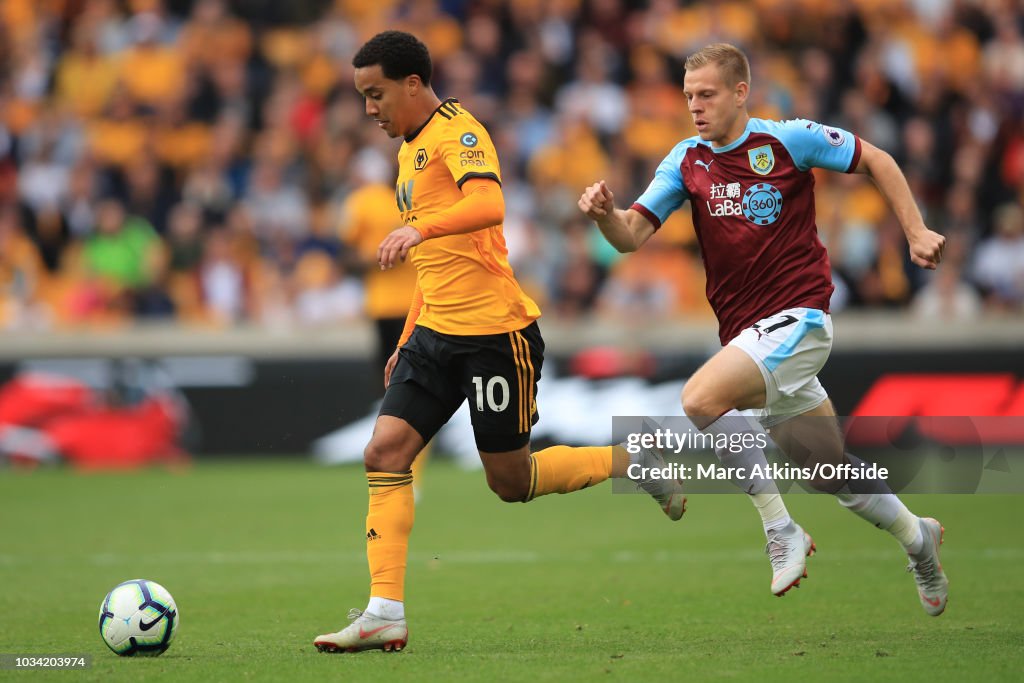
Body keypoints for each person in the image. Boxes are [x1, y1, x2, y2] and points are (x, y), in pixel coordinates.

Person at [313, 30, 685, 655]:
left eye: (375, 94)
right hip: (434, 334)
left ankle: (630, 462)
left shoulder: (461, 132)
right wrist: (407, 336)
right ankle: (384, 611)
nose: (369, 108)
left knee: (509, 482)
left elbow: (490, 204)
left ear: (412, 85)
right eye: (363, 97)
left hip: (495, 334)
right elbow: (439, 266)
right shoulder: (407, 152)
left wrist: (416, 230)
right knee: (384, 452)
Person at [579, 43, 949, 614]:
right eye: (688, 96)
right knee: (828, 471)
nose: (695, 106)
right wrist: (605, 214)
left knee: (700, 398)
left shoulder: (786, 139)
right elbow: (630, 234)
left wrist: (916, 230)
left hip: (800, 317)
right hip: (747, 336)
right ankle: (917, 537)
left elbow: (877, 158)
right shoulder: (685, 160)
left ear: (740, 92)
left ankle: (781, 530)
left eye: (706, 94)